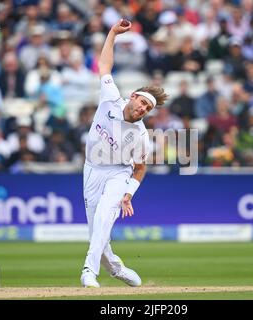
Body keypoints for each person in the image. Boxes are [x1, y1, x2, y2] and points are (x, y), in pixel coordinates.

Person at [81, 19, 168, 288]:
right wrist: (112, 33)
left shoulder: (141, 135)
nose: (142, 109)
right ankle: (116, 269)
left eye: (147, 109)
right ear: (132, 97)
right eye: (142, 102)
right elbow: (104, 66)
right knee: (98, 231)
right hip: (92, 169)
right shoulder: (110, 98)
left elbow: (140, 168)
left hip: (118, 173)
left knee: (106, 215)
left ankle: (88, 271)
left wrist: (128, 193)